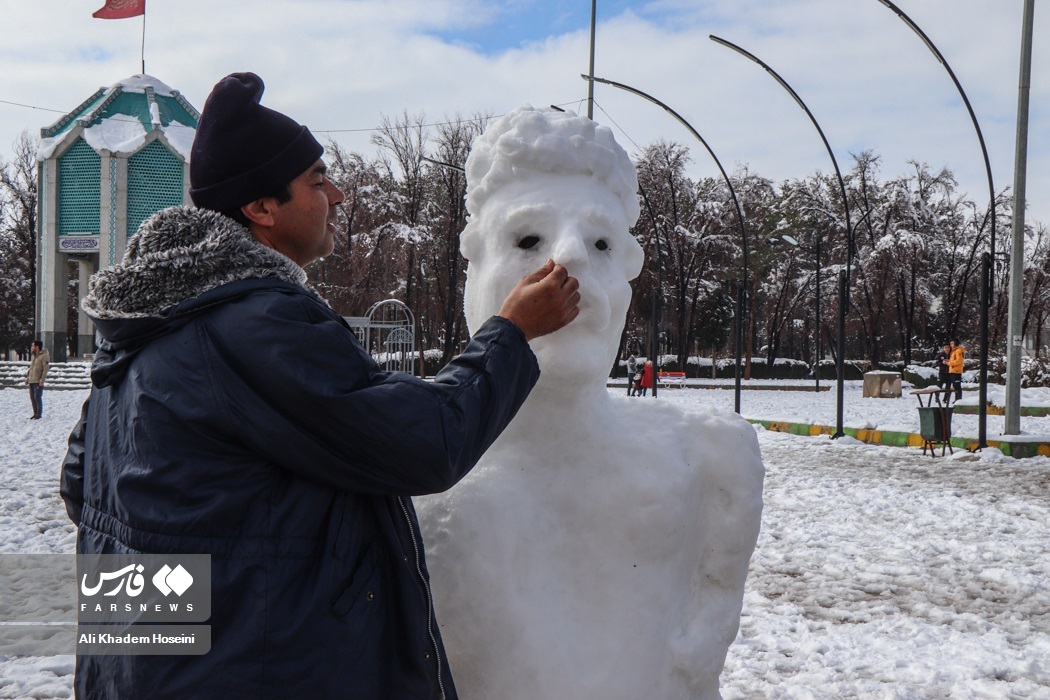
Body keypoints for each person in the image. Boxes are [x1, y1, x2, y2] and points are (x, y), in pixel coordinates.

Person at [59, 73, 579, 700]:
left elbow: (81, 487)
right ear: (261, 208)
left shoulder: (149, 322)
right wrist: (513, 332)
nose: (338, 192)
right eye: (316, 180)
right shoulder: (254, 324)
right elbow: (426, 441)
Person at [417, 106, 764, 699]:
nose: (569, 257)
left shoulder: (708, 463)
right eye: (528, 239)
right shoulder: (395, 455)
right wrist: (191, 629)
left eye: (601, 243)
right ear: (473, 263)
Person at [25, 339, 49, 419]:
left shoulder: (44, 356)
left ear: (37, 347)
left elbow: (45, 368)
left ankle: (39, 414)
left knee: (37, 397)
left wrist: (42, 380)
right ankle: (35, 413)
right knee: (32, 398)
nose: (32, 347)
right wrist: (28, 378)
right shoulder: (34, 356)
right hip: (32, 379)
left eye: (33, 346)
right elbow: (31, 368)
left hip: (38, 381)